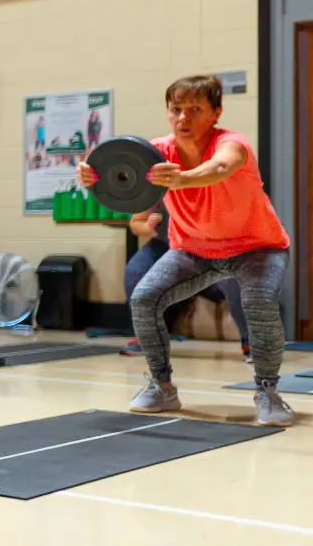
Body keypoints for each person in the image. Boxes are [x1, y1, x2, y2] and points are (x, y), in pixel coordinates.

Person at [79, 74, 292, 426]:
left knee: (257, 301)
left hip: (258, 248)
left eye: (195, 109)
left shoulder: (233, 144)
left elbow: (220, 167)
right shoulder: (156, 153)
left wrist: (183, 178)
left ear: (215, 113)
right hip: (194, 250)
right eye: (176, 109)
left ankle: (268, 392)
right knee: (145, 298)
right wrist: (93, 178)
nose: (183, 118)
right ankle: (162, 387)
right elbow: (132, 203)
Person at [122, 201, 249, 359]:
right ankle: (146, 338)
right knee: (136, 270)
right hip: (170, 247)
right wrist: (149, 226)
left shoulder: (217, 184)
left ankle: (251, 341)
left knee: (235, 277)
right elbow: (136, 223)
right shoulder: (161, 185)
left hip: (213, 247)